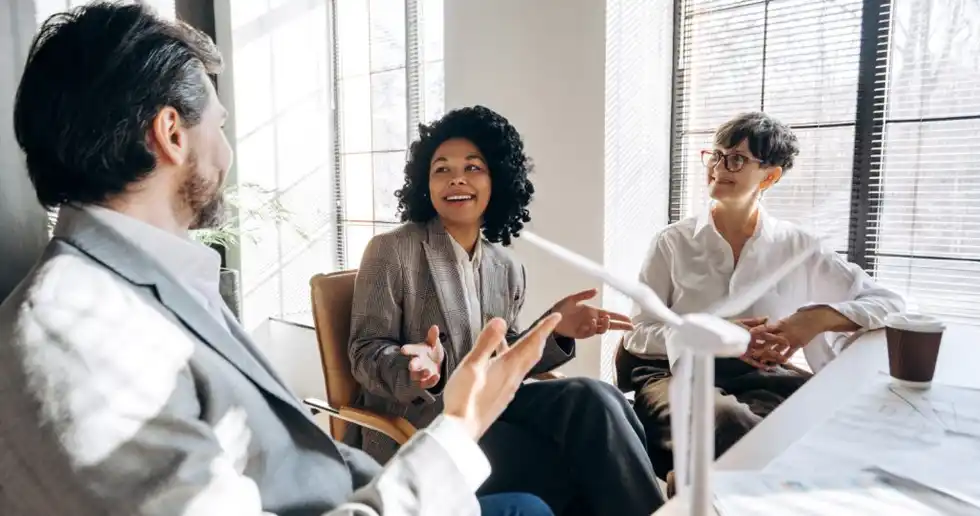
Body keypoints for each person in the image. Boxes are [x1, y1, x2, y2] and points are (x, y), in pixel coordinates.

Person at [0, 4, 557, 515]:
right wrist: (458, 428)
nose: (227, 150)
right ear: (171, 134)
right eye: (218, 125)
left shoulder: (163, 283)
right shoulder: (75, 334)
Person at [347, 106, 666, 516]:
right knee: (579, 463)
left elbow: (506, 354)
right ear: (425, 184)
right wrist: (414, 366)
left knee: (597, 397)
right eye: (441, 169)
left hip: (492, 409)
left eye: (473, 167)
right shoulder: (392, 251)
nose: (456, 178)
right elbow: (365, 351)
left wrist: (557, 331)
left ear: (497, 179)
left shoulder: (506, 266)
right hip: (426, 424)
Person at [619, 111, 905, 483]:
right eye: (716, 155)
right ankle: (697, 489)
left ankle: (695, 486)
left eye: (736, 159)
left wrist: (815, 319)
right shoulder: (673, 242)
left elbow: (891, 302)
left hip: (761, 377)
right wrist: (710, 334)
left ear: (770, 176)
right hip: (674, 373)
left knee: (831, 428)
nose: (719, 167)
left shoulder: (797, 246)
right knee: (727, 421)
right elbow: (637, 332)